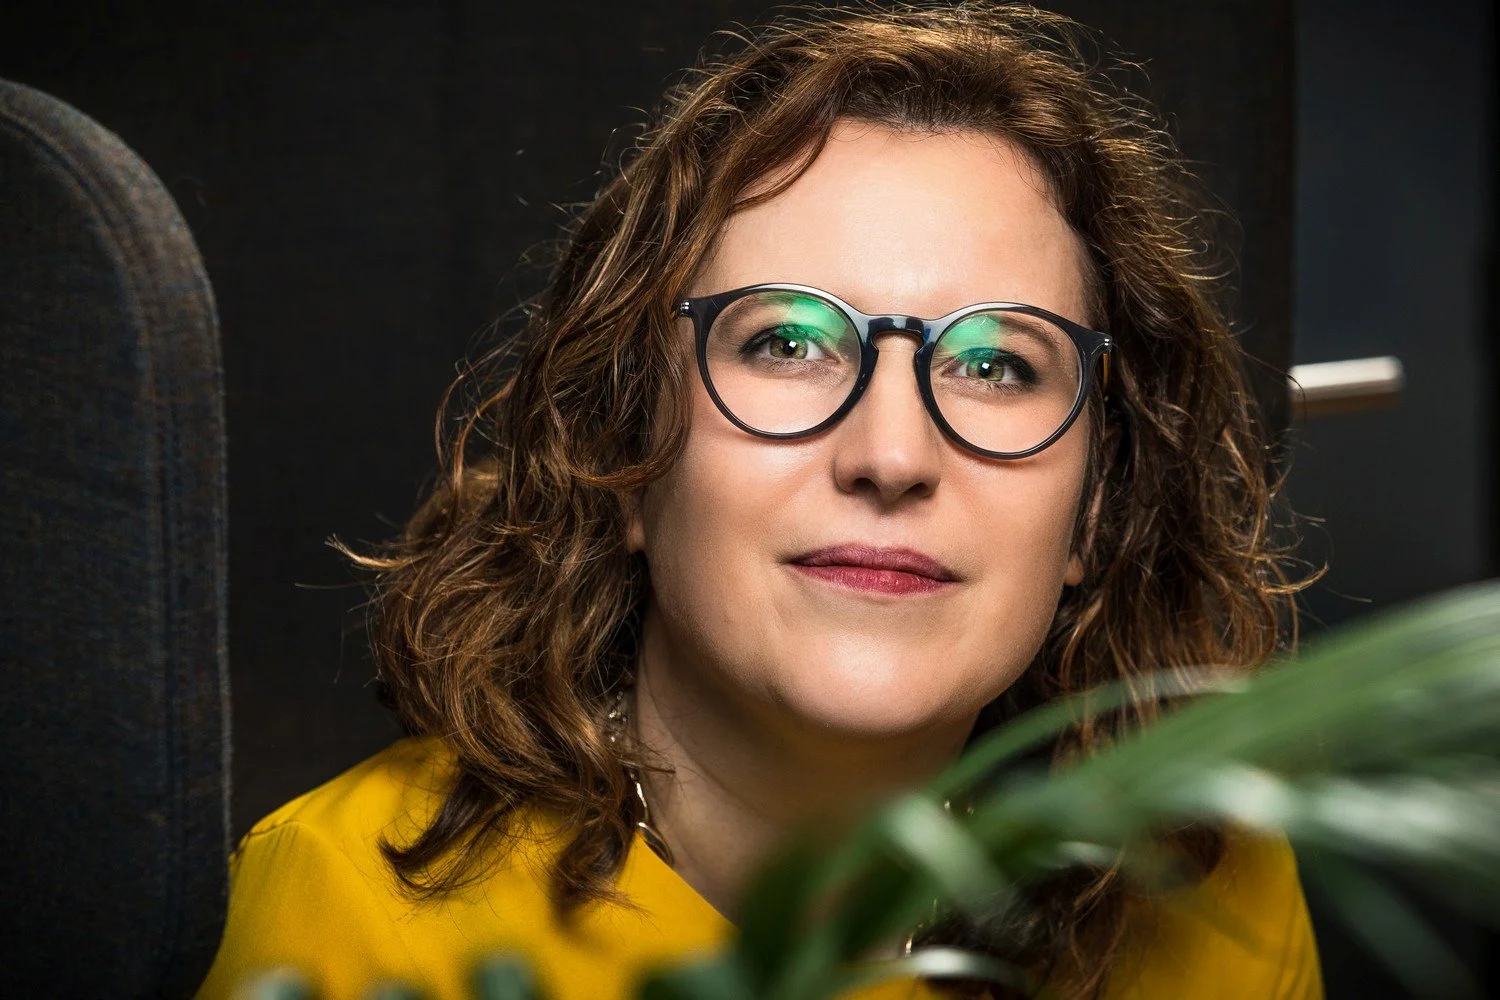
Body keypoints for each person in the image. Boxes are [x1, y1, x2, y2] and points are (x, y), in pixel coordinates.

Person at [197, 4, 1323, 998]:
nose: (892, 452)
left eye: (995, 365)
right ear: (625, 452)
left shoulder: (1210, 894)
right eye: (788, 343)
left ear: (1095, 509)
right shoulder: (347, 922)